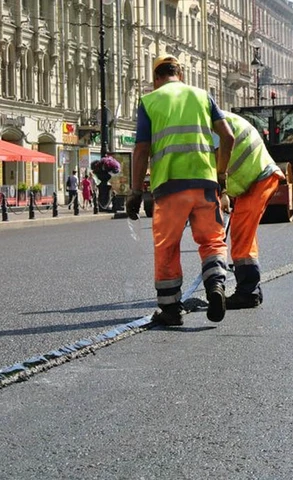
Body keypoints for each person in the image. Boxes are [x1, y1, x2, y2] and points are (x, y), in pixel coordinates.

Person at [126, 54, 235, 326]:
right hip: (205, 184)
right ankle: (216, 286)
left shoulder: (150, 102)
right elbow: (228, 136)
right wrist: (220, 175)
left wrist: (135, 191)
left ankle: (170, 309)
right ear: (181, 74)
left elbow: (141, 149)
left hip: (169, 185)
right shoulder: (202, 96)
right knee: (211, 241)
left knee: (168, 245)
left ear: (156, 79)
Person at [218, 111, 285, 309]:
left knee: (241, 236)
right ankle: (252, 289)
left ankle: (248, 293)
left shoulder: (209, 125)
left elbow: (218, 160)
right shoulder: (215, 119)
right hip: (254, 180)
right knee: (244, 235)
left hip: (258, 178)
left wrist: (222, 192)